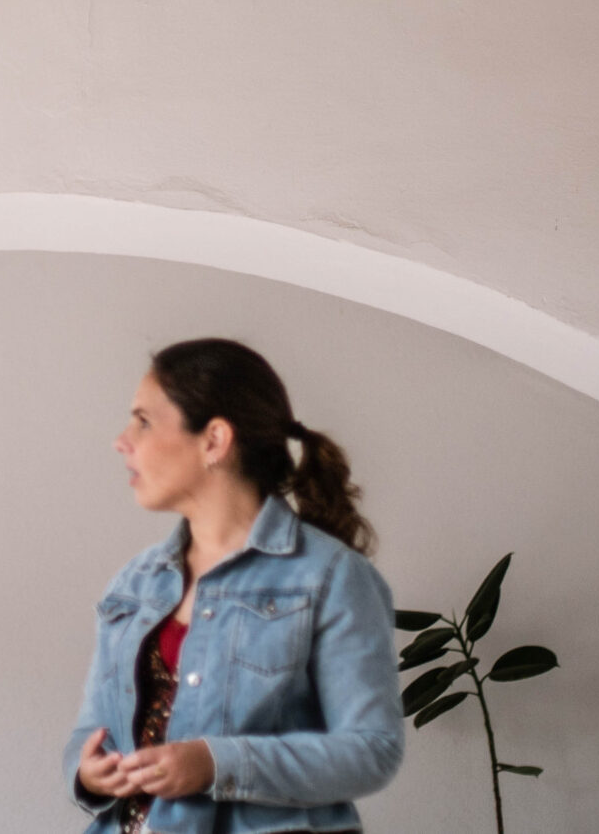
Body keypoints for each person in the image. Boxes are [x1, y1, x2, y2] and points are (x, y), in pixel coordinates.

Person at [65, 339, 404, 834]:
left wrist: (215, 763)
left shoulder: (332, 576)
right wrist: (89, 773)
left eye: (143, 421)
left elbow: (372, 748)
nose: (122, 440)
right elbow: (88, 731)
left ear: (214, 440)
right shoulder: (133, 584)